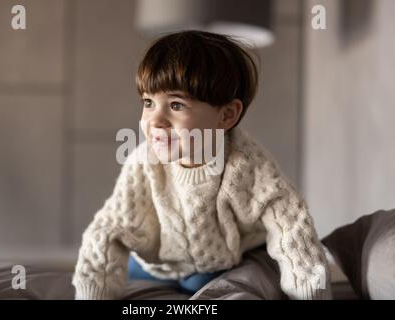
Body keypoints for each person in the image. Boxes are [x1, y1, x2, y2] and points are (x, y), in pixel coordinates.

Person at [72, 30, 332, 300]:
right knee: (128, 268)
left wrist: (309, 291)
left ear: (226, 115)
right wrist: (94, 292)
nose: (155, 120)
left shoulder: (245, 165)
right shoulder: (144, 163)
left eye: (175, 104)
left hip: (224, 262)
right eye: (148, 102)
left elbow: (290, 222)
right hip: (156, 263)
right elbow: (108, 229)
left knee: (252, 276)